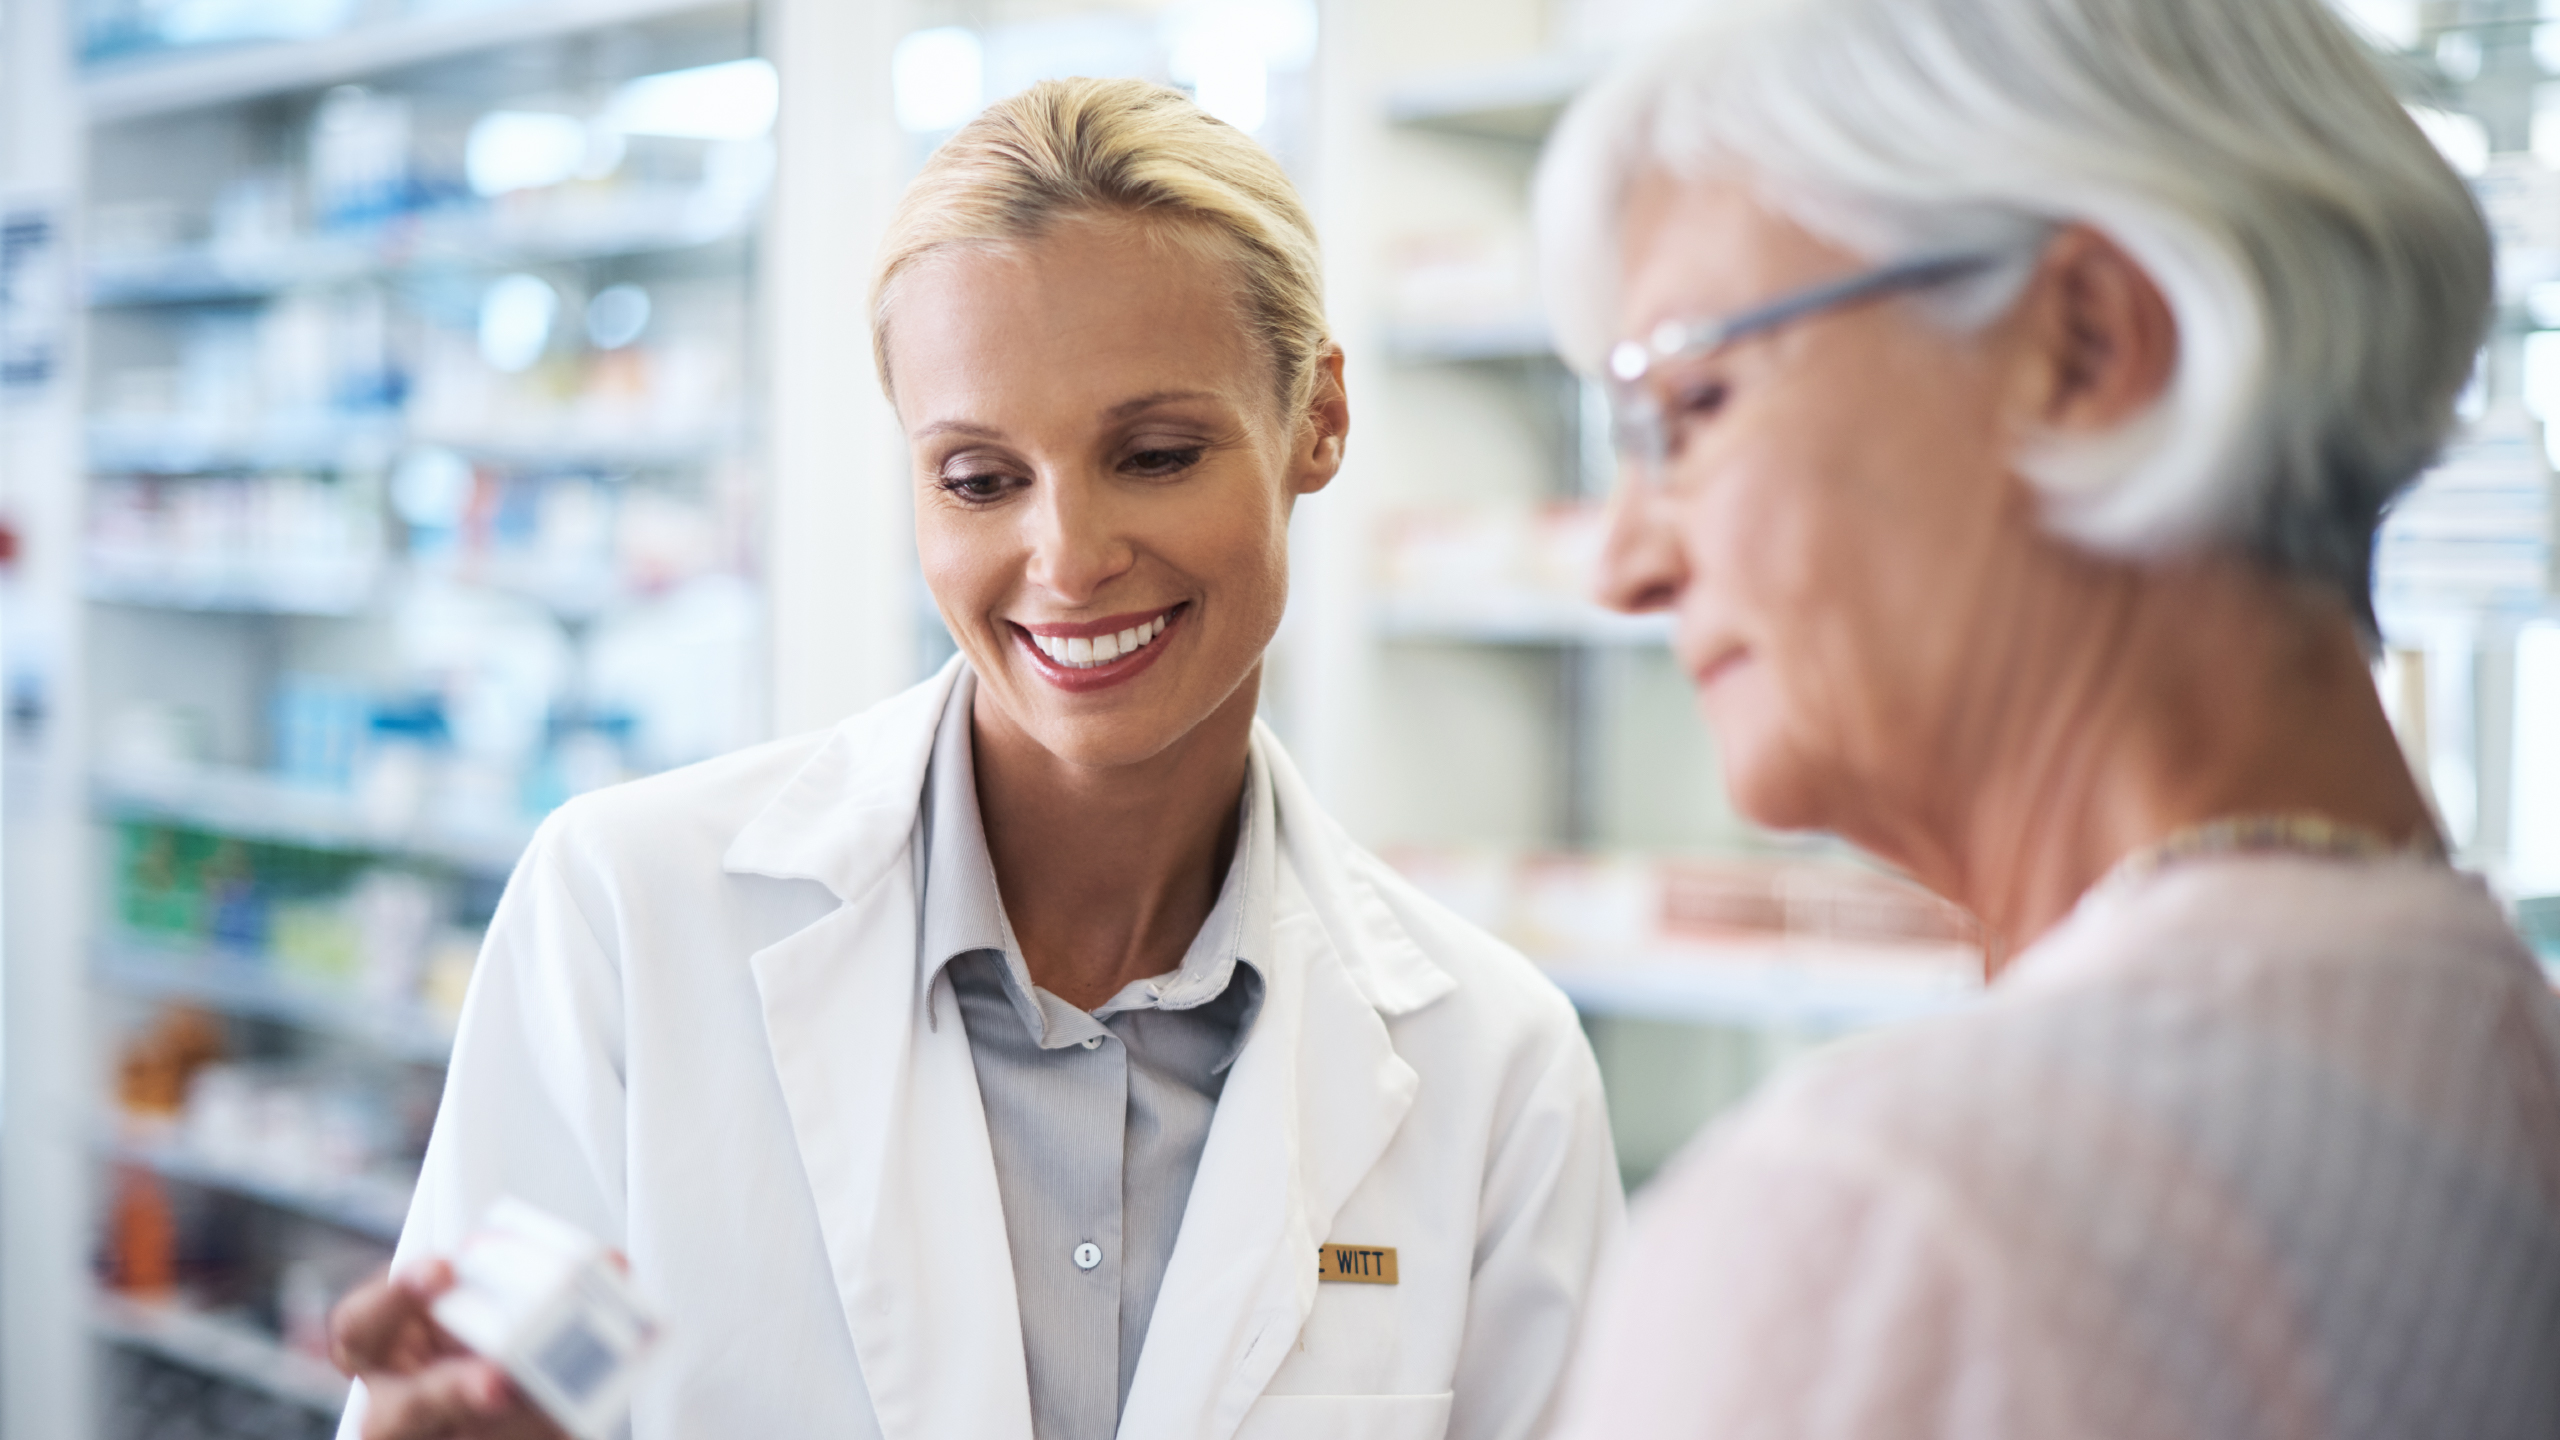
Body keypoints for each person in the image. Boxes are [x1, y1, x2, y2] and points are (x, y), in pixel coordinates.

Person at [330, 77, 1621, 1440]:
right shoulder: (630, 918)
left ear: (1319, 421)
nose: (1067, 558)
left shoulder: (1495, 1066)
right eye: (979, 480)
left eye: (1156, 453)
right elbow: (473, 1400)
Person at [1534, 0, 2560, 1435]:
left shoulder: (1890, 1231)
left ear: (2083, 346)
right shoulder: (2498, 1060)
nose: (1625, 561)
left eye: (1690, 404)